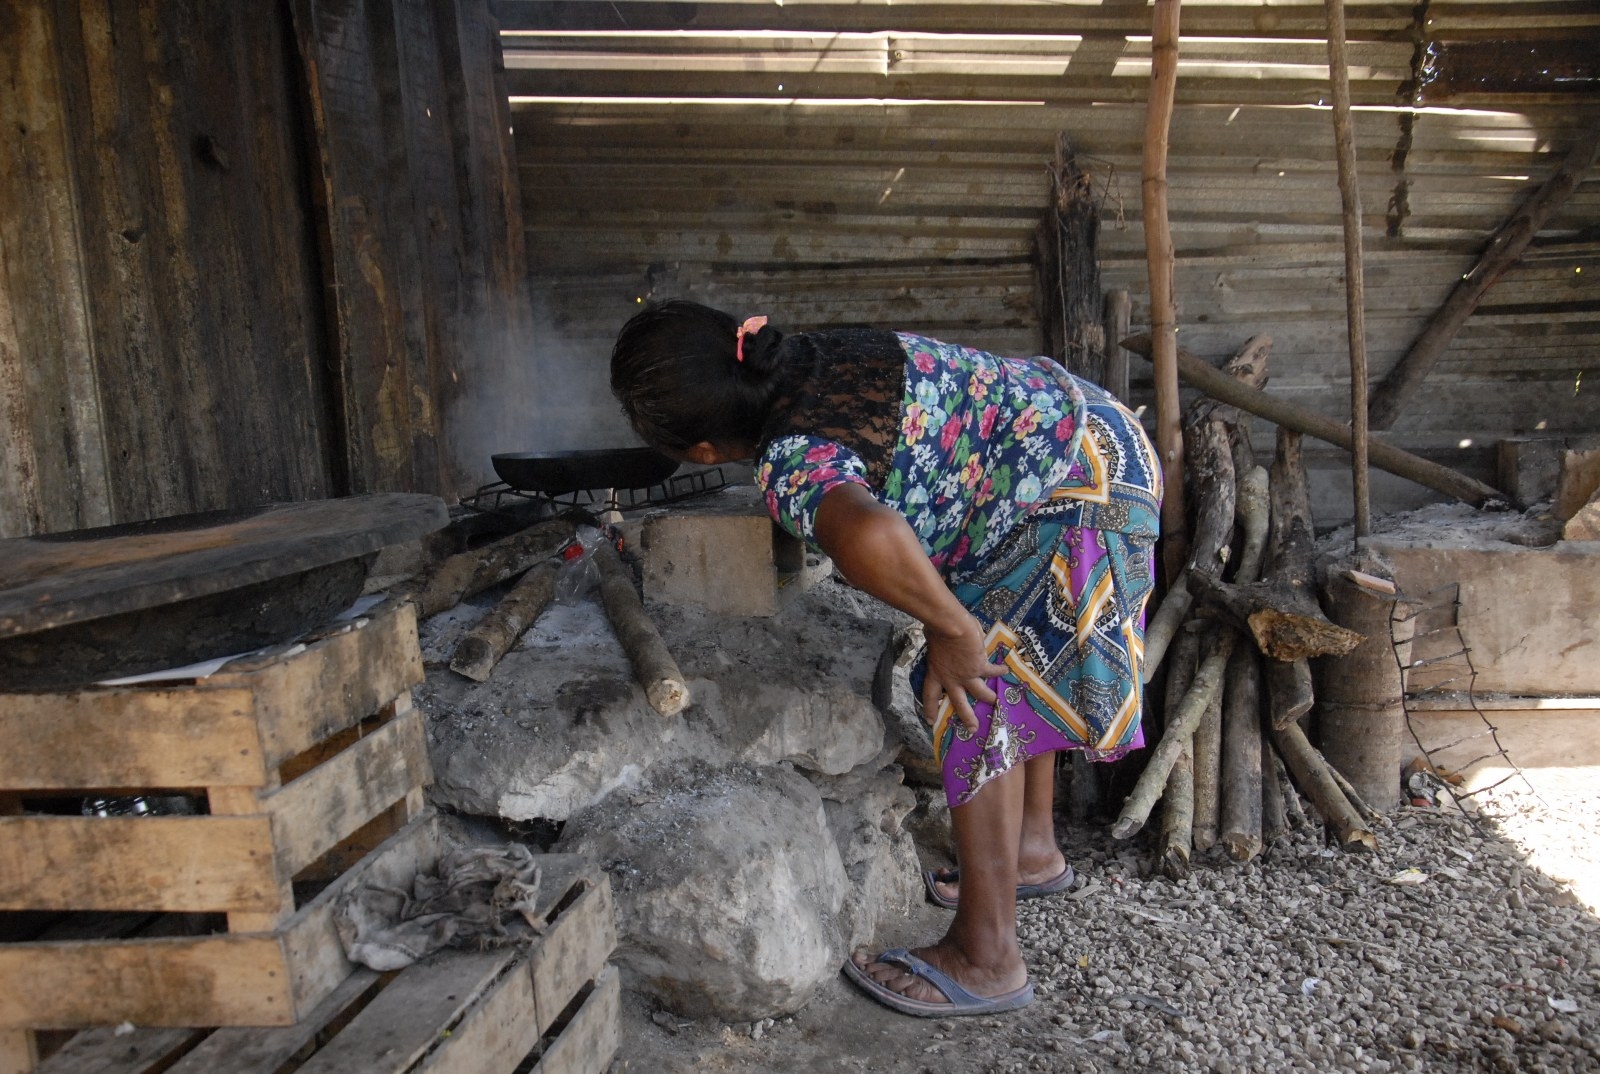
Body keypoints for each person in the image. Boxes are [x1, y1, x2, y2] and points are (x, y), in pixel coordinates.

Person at [609, 300, 1161, 1018]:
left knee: (970, 690)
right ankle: (1030, 851)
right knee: (1017, 663)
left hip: (1070, 493)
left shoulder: (791, 459)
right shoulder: (810, 357)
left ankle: (987, 956)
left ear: (703, 451)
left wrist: (951, 629)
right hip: (1096, 432)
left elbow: (871, 531)